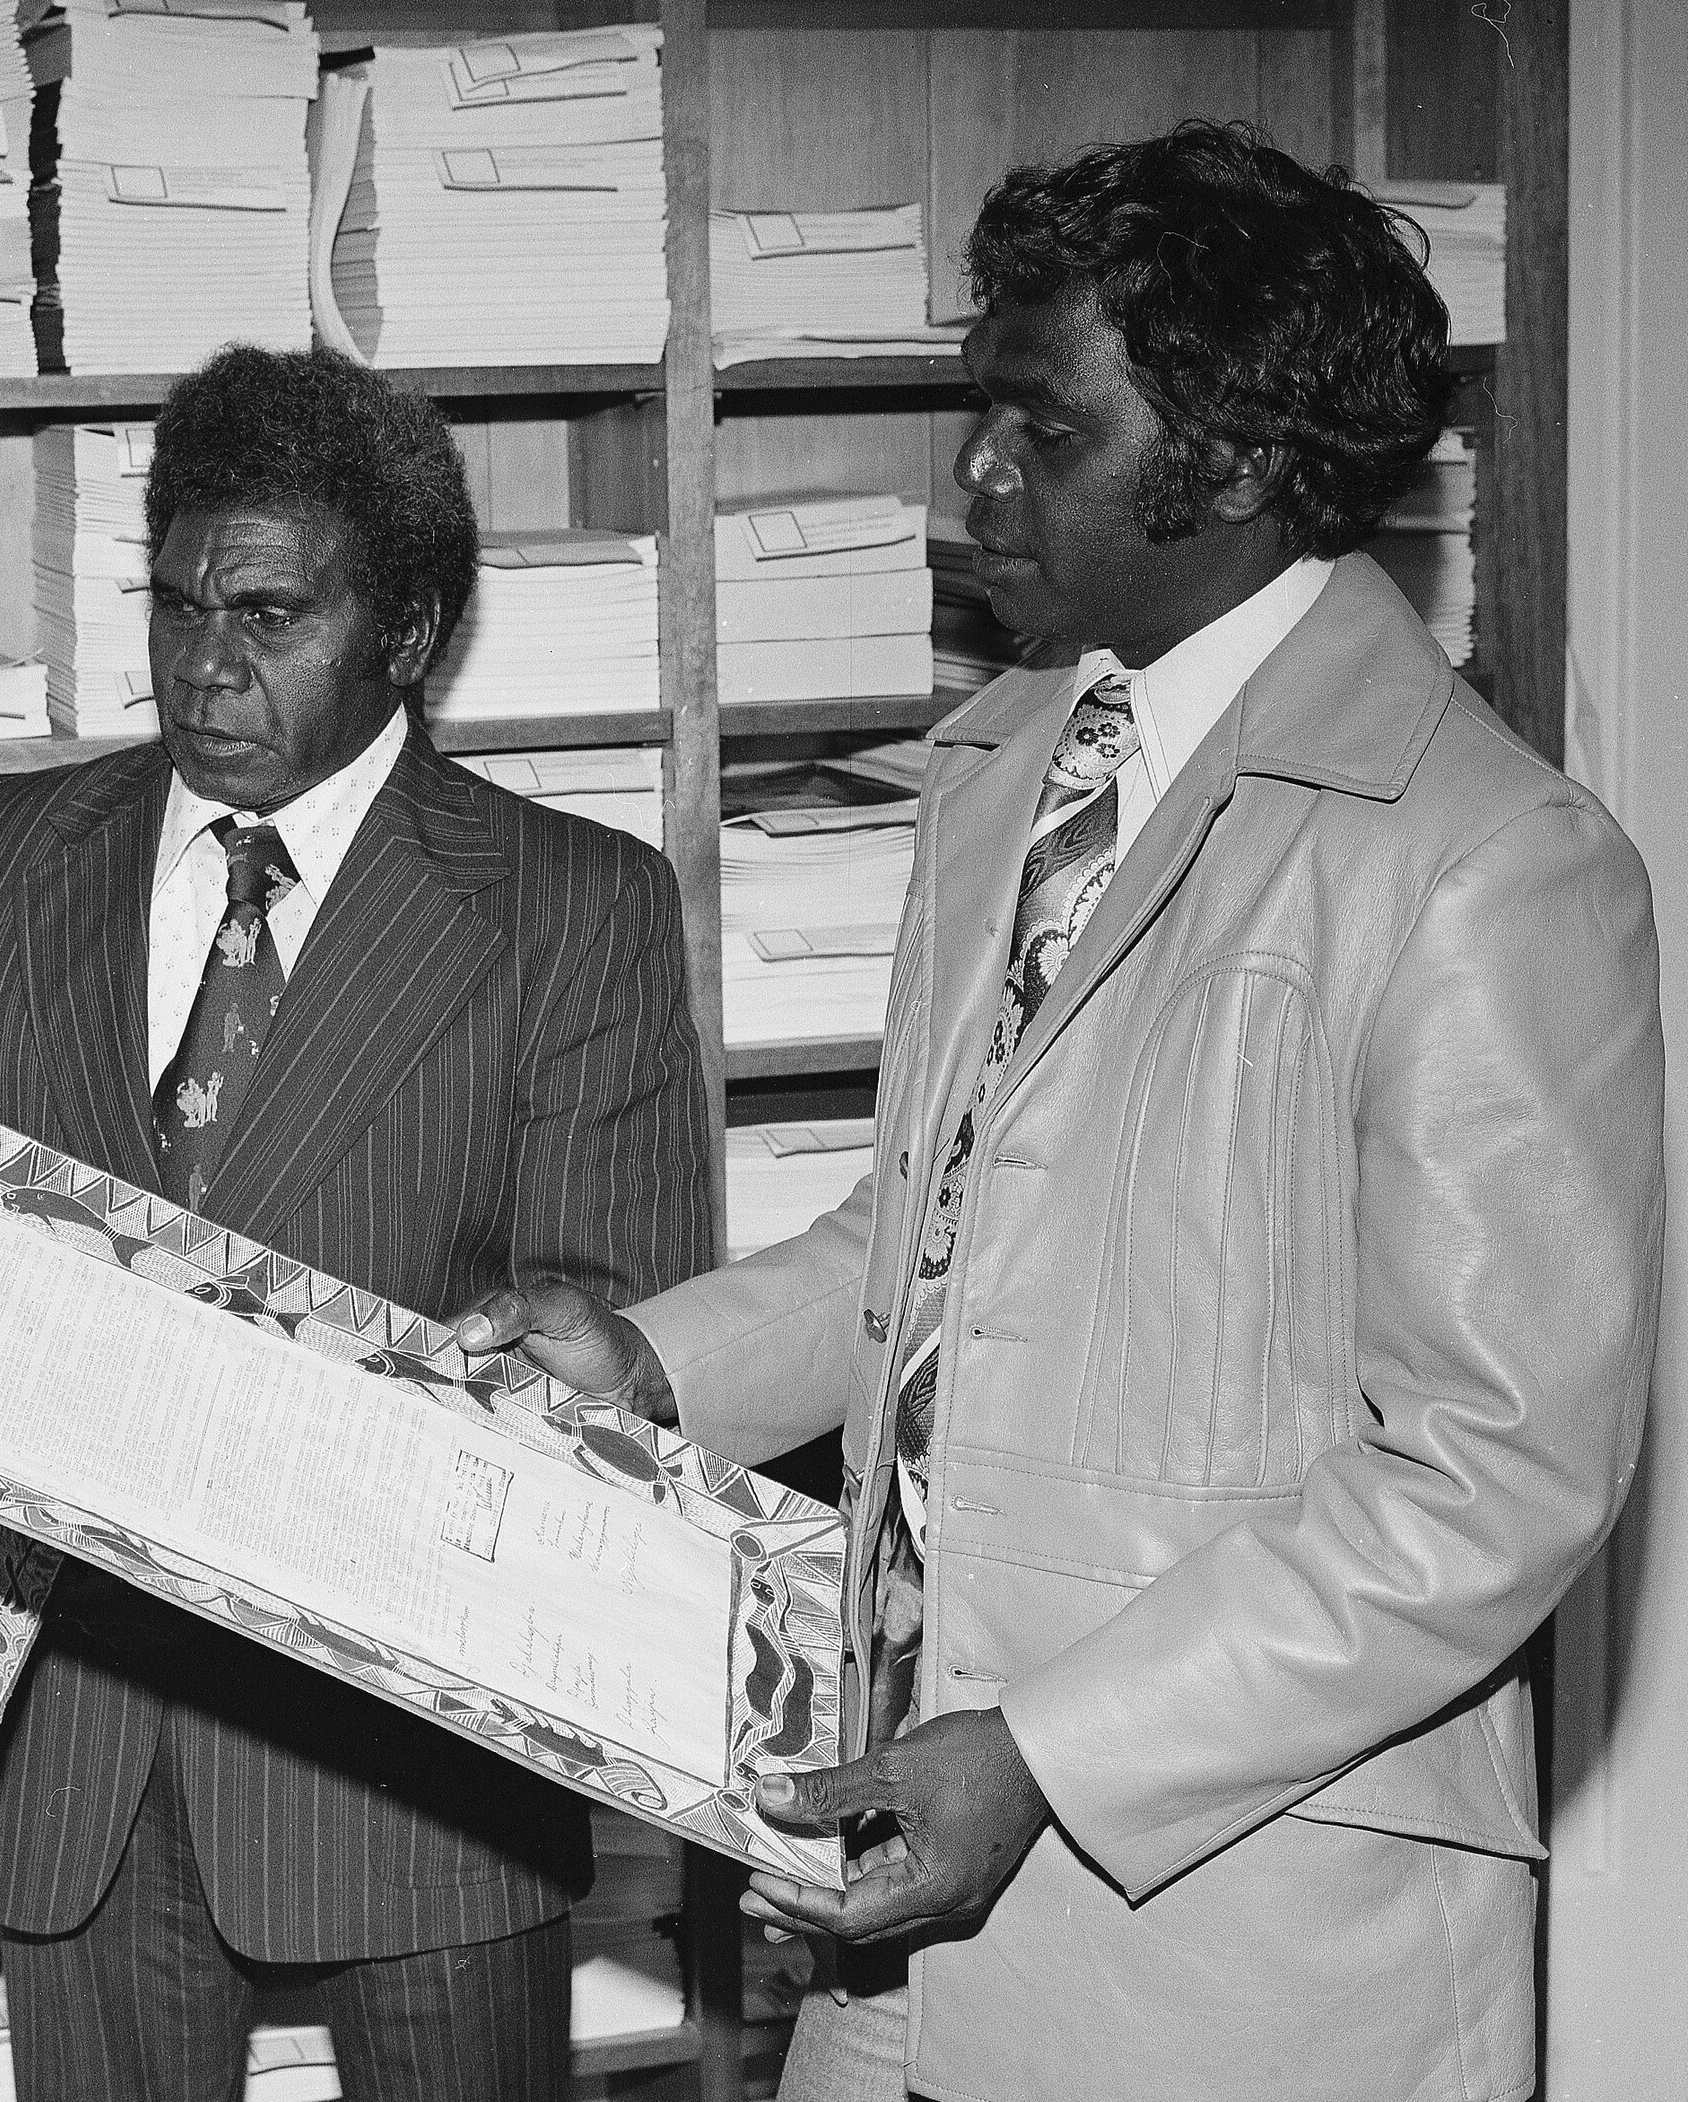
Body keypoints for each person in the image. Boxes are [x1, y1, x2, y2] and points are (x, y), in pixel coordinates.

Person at [460, 121, 1663, 2102]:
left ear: (1244, 457)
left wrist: (1041, 1756)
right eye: (977, 412)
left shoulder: (1486, 863)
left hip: (1241, 1964)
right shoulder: (1009, 762)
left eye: (1044, 426)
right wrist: (645, 1371)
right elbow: (912, 1242)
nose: (973, 476)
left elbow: (1488, 1477)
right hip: (896, 1915)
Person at [0, 345, 711, 2101]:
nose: (202, 663)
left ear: (404, 636)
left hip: (413, 1777)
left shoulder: (571, 909)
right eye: (176, 600)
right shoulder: (13, 853)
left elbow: (630, 1343)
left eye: (268, 615)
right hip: (79, 1757)